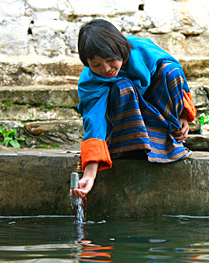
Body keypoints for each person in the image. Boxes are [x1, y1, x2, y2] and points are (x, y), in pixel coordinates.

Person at [71, 19, 196, 198]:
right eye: (96, 65)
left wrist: (184, 115)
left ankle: (168, 137)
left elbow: (178, 80)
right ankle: (134, 145)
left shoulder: (143, 49)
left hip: (154, 115)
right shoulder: (91, 81)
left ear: (121, 50)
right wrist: (90, 173)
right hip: (121, 128)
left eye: (110, 60)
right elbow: (95, 121)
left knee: (171, 71)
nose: (106, 69)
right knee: (123, 86)